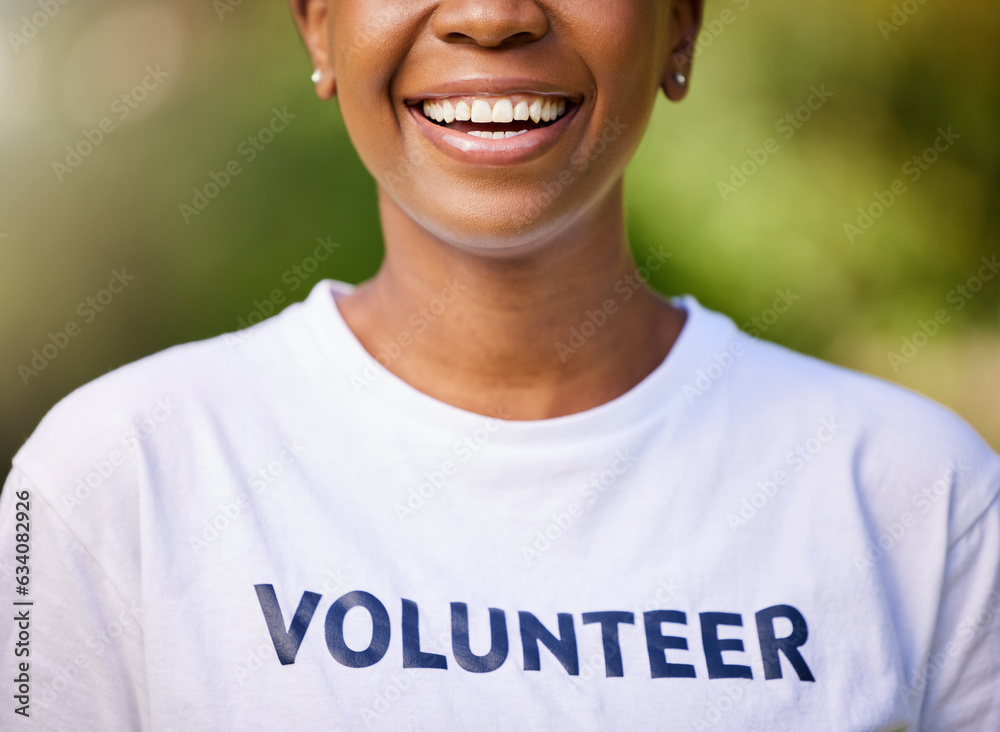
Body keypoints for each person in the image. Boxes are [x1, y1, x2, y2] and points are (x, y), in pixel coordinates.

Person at [2, 0, 998, 729]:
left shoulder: (920, 496)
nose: (491, 16)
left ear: (679, 29)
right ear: (317, 28)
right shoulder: (121, 472)